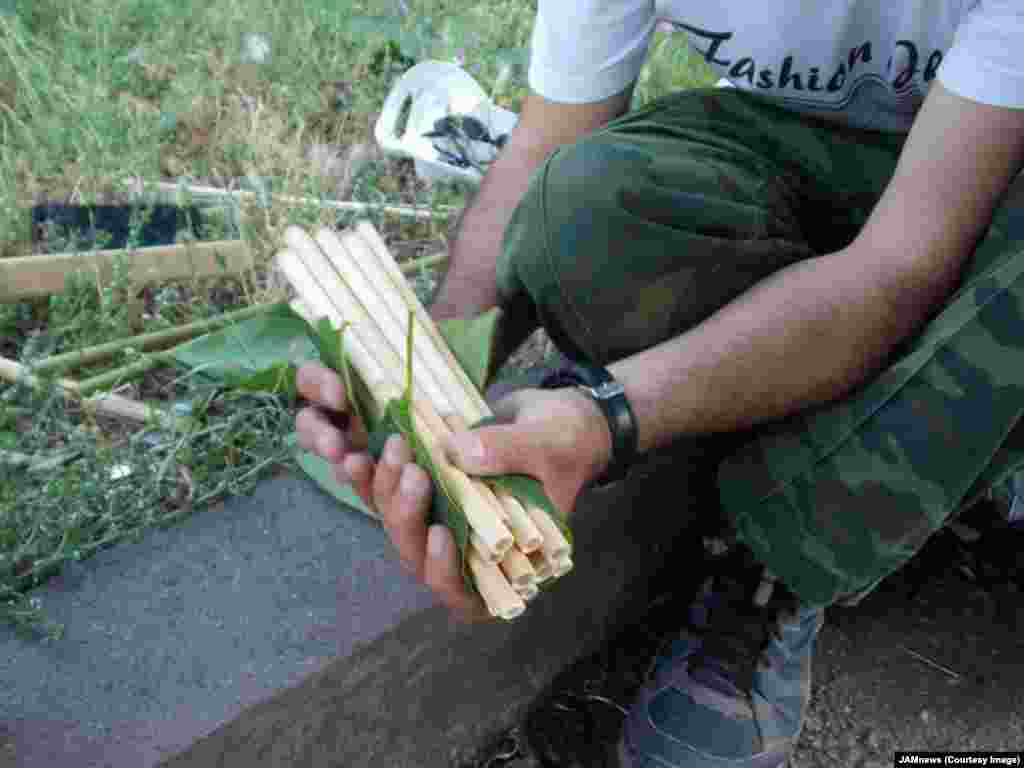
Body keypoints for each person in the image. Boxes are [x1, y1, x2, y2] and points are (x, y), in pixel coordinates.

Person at [295, 2, 1024, 765]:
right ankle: (918, 420)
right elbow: (545, 142)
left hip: (997, 171)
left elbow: (896, 268)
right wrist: (424, 371)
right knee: (574, 211)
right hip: (800, 142)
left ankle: (782, 549)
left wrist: (607, 418)